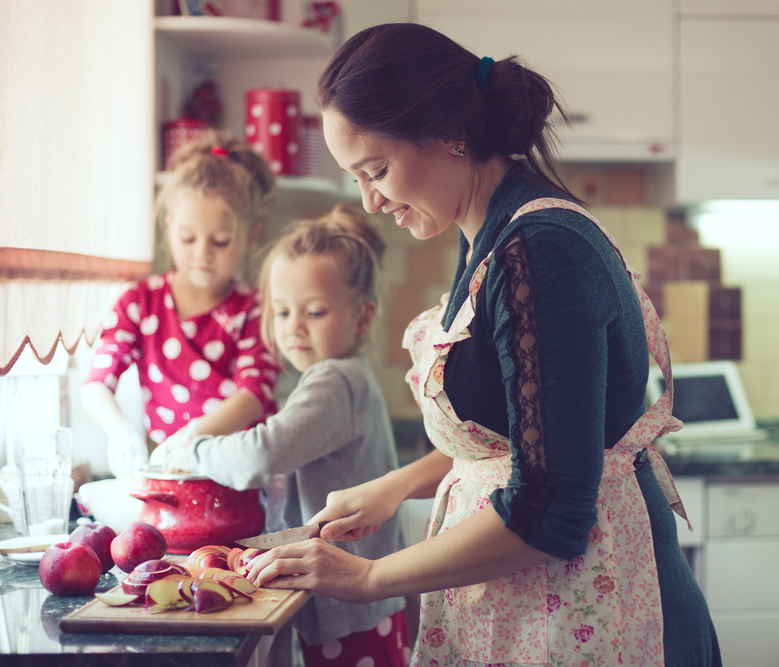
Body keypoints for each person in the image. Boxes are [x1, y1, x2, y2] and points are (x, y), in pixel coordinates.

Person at [247, 22, 723, 667]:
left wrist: (365, 579)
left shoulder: (540, 251)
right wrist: (396, 487)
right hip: (543, 608)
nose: (370, 199)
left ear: (452, 135)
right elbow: (528, 433)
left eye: (377, 170)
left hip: (595, 611)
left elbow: (550, 507)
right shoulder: (491, 237)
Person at [151, 203, 409, 666]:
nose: (293, 328)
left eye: (314, 311)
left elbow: (263, 453)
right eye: (283, 311)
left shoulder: (335, 381)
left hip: (349, 611)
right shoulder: (337, 376)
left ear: (363, 316)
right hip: (346, 604)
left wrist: (192, 447)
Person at [81, 130, 282, 481]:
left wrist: (192, 438)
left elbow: (254, 395)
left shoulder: (255, 310)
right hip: (172, 474)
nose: (202, 253)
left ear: (252, 235)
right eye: (188, 238)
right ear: (170, 227)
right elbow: (97, 381)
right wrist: (120, 430)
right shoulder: (140, 302)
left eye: (220, 241)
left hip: (242, 476)